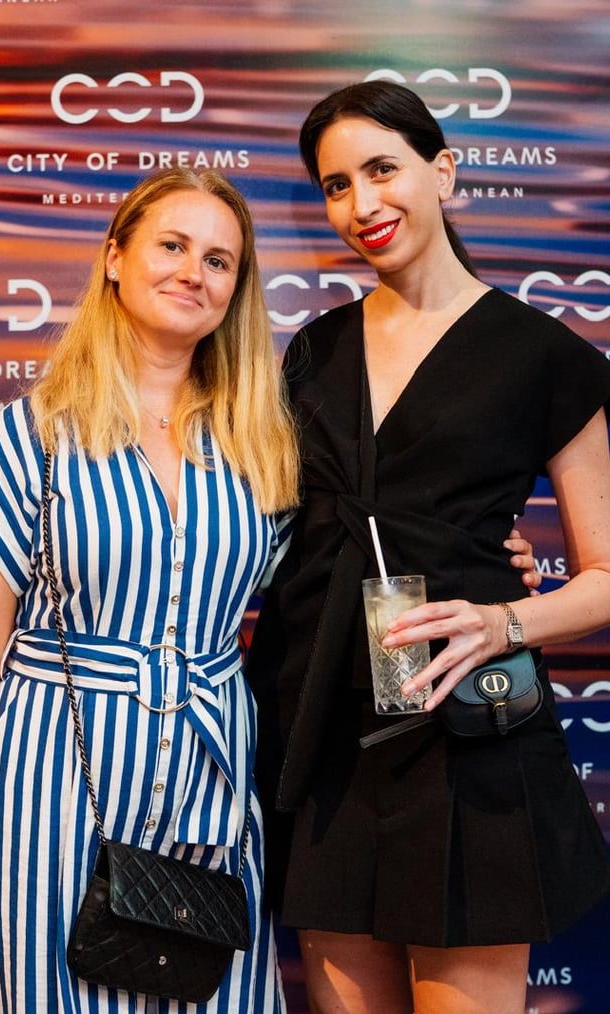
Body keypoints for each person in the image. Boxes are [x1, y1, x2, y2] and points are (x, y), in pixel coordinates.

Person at [0, 167, 301, 1013]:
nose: (195, 272)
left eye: (220, 261)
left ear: (237, 290)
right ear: (115, 258)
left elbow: (329, 588)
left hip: (207, 793)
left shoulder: (264, 444)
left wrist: (492, 555)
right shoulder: (35, 434)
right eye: (172, 246)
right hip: (44, 791)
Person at [247, 81, 610, 1014]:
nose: (362, 205)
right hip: (325, 724)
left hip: (466, 737)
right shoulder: (314, 351)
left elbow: (606, 577)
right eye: (335, 185)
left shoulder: (544, 355)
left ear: (441, 172)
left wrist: (504, 617)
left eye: (382, 170)